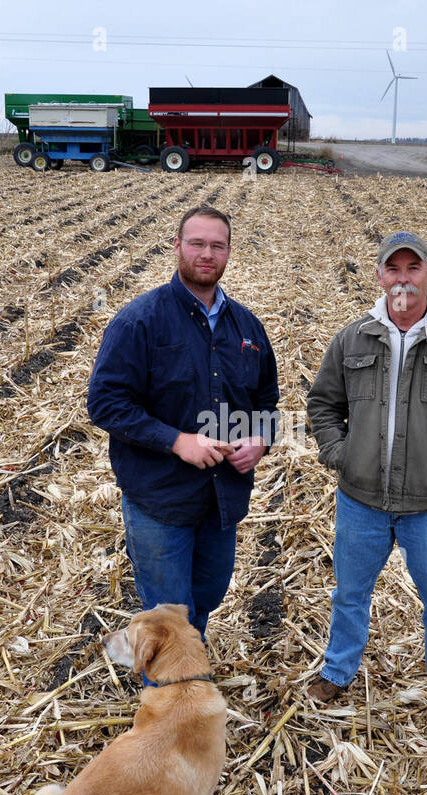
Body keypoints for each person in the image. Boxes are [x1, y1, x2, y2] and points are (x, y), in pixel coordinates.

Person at [305, 231, 427, 735]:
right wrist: (338, 452)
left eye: (412, 269)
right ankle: (336, 671)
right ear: (380, 277)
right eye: (392, 270)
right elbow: (323, 404)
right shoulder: (353, 338)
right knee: (350, 593)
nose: (402, 279)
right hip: (360, 500)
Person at [87, 206, 279, 640]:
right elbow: (105, 402)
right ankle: (171, 697)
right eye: (197, 243)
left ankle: (186, 673)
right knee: (169, 615)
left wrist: (262, 440)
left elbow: (268, 402)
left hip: (222, 498)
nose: (207, 253)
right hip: (161, 500)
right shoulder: (140, 320)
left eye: (217, 245)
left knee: (205, 597)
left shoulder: (248, 327)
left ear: (229, 252)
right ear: (177, 247)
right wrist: (177, 441)